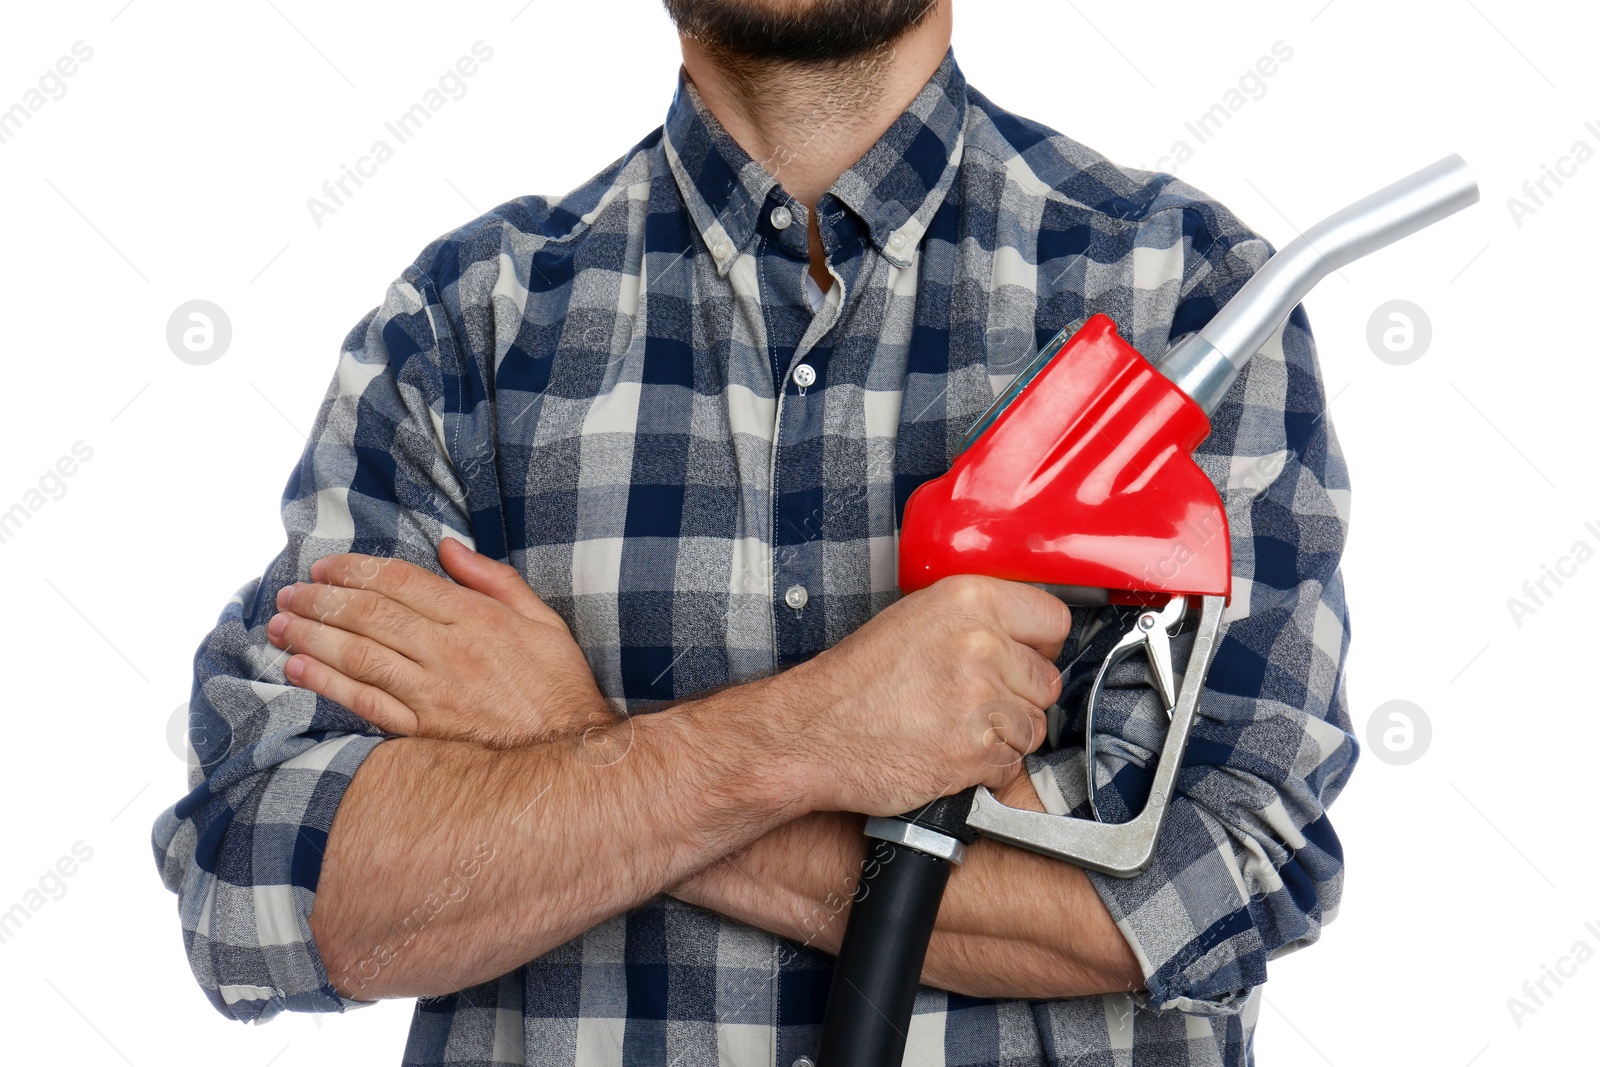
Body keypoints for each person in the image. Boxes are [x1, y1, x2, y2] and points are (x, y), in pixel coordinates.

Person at [151, 1, 1357, 1063]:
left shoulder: (1187, 294)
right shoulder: (464, 336)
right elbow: (259, 887)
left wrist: (570, 746)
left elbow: (1231, 876)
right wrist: (798, 739)